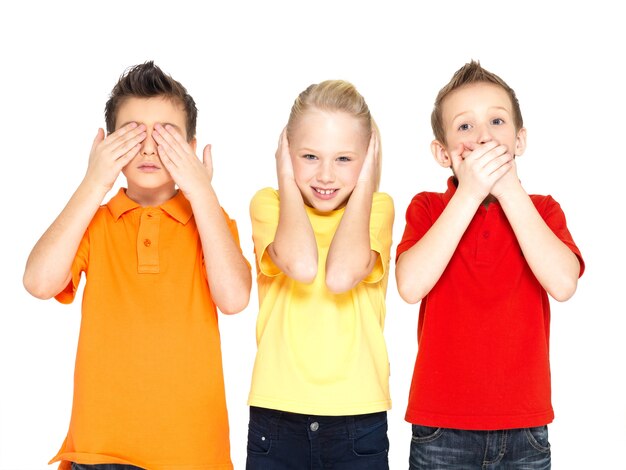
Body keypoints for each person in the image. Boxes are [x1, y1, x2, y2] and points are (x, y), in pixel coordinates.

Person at [23, 61, 251, 470]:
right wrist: (94, 182)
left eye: (165, 136)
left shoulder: (211, 223)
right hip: (97, 454)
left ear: (193, 148)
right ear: (106, 144)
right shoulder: (94, 222)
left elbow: (234, 298)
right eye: (131, 135)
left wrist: (201, 192)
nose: (148, 148)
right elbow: (39, 282)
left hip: (193, 456)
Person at [395, 60, 585, 469]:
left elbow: (564, 283)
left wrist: (507, 187)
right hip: (440, 427)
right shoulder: (428, 208)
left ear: (519, 140)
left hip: (525, 429)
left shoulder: (543, 210)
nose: (483, 136)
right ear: (442, 153)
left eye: (496, 122)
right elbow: (410, 286)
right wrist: (471, 192)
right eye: (465, 127)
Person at [246, 80, 394, 469]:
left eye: (345, 159)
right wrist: (284, 175)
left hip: (357, 420)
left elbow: (340, 275)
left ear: (368, 160)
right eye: (309, 156)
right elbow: (302, 265)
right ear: (286, 153)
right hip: (276, 417)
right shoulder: (270, 204)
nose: (326, 175)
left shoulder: (376, 208)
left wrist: (366, 182)